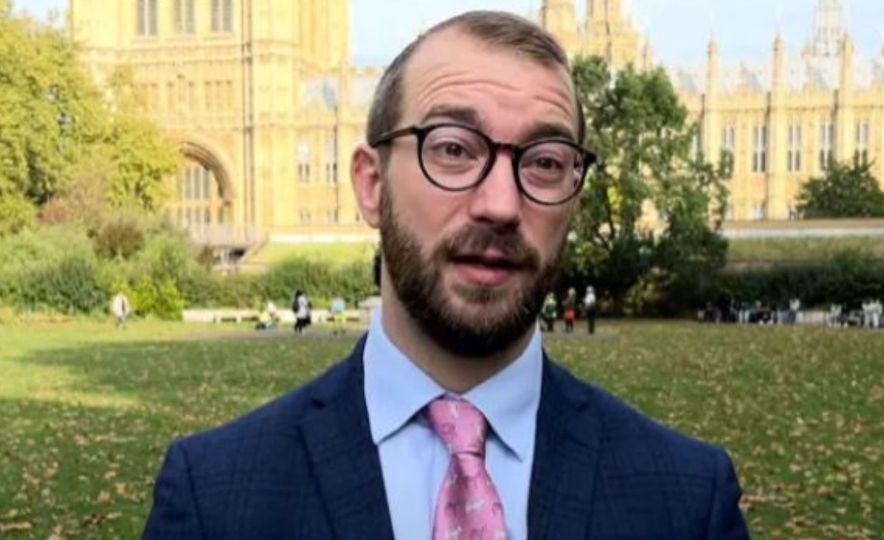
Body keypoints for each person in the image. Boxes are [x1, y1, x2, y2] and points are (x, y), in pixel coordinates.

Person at [144, 11, 748, 539]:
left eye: (543, 162)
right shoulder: (214, 498)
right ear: (371, 185)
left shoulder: (688, 499)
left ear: (575, 197)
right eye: (453, 149)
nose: (500, 205)